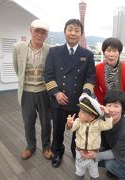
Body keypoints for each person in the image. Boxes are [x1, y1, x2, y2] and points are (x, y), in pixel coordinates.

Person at [44, 19, 95, 168]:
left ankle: (75, 150)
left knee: (78, 130)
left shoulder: (88, 54)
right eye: (70, 29)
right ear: (65, 31)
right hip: (59, 99)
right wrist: (56, 93)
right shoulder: (54, 51)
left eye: (76, 30)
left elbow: (90, 77)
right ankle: (57, 152)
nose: (73, 33)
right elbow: (48, 74)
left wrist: (85, 94)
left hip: (78, 101)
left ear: (81, 34)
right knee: (58, 129)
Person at [82, 90, 125, 180]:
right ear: (104, 106)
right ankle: (116, 170)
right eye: (109, 105)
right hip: (118, 149)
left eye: (116, 106)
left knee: (110, 164)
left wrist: (96, 155)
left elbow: (116, 153)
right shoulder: (103, 120)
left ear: (122, 108)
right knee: (92, 156)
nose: (112, 110)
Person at [13, 19, 52, 160]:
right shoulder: (18, 48)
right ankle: (31, 146)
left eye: (43, 32)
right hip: (27, 92)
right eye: (37, 31)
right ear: (31, 30)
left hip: (44, 92)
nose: (40, 35)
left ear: (46, 35)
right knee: (28, 121)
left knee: (46, 122)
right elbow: (17, 69)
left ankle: (46, 147)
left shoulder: (50, 49)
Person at [66, 94, 113, 180]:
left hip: (93, 154)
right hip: (80, 153)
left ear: (92, 116)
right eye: (80, 110)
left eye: (83, 112)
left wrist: (107, 115)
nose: (79, 113)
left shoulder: (98, 124)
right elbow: (71, 129)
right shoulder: (78, 121)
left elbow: (108, 125)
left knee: (94, 172)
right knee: (79, 171)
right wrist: (69, 124)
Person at [94, 37, 125, 116]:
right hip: (105, 105)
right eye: (108, 51)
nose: (111, 54)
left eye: (115, 51)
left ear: (119, 52)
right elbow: (96, 89)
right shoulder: (98, 68)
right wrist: (104, 104)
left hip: (121, 107)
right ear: (104, 52)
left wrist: (124, 111)